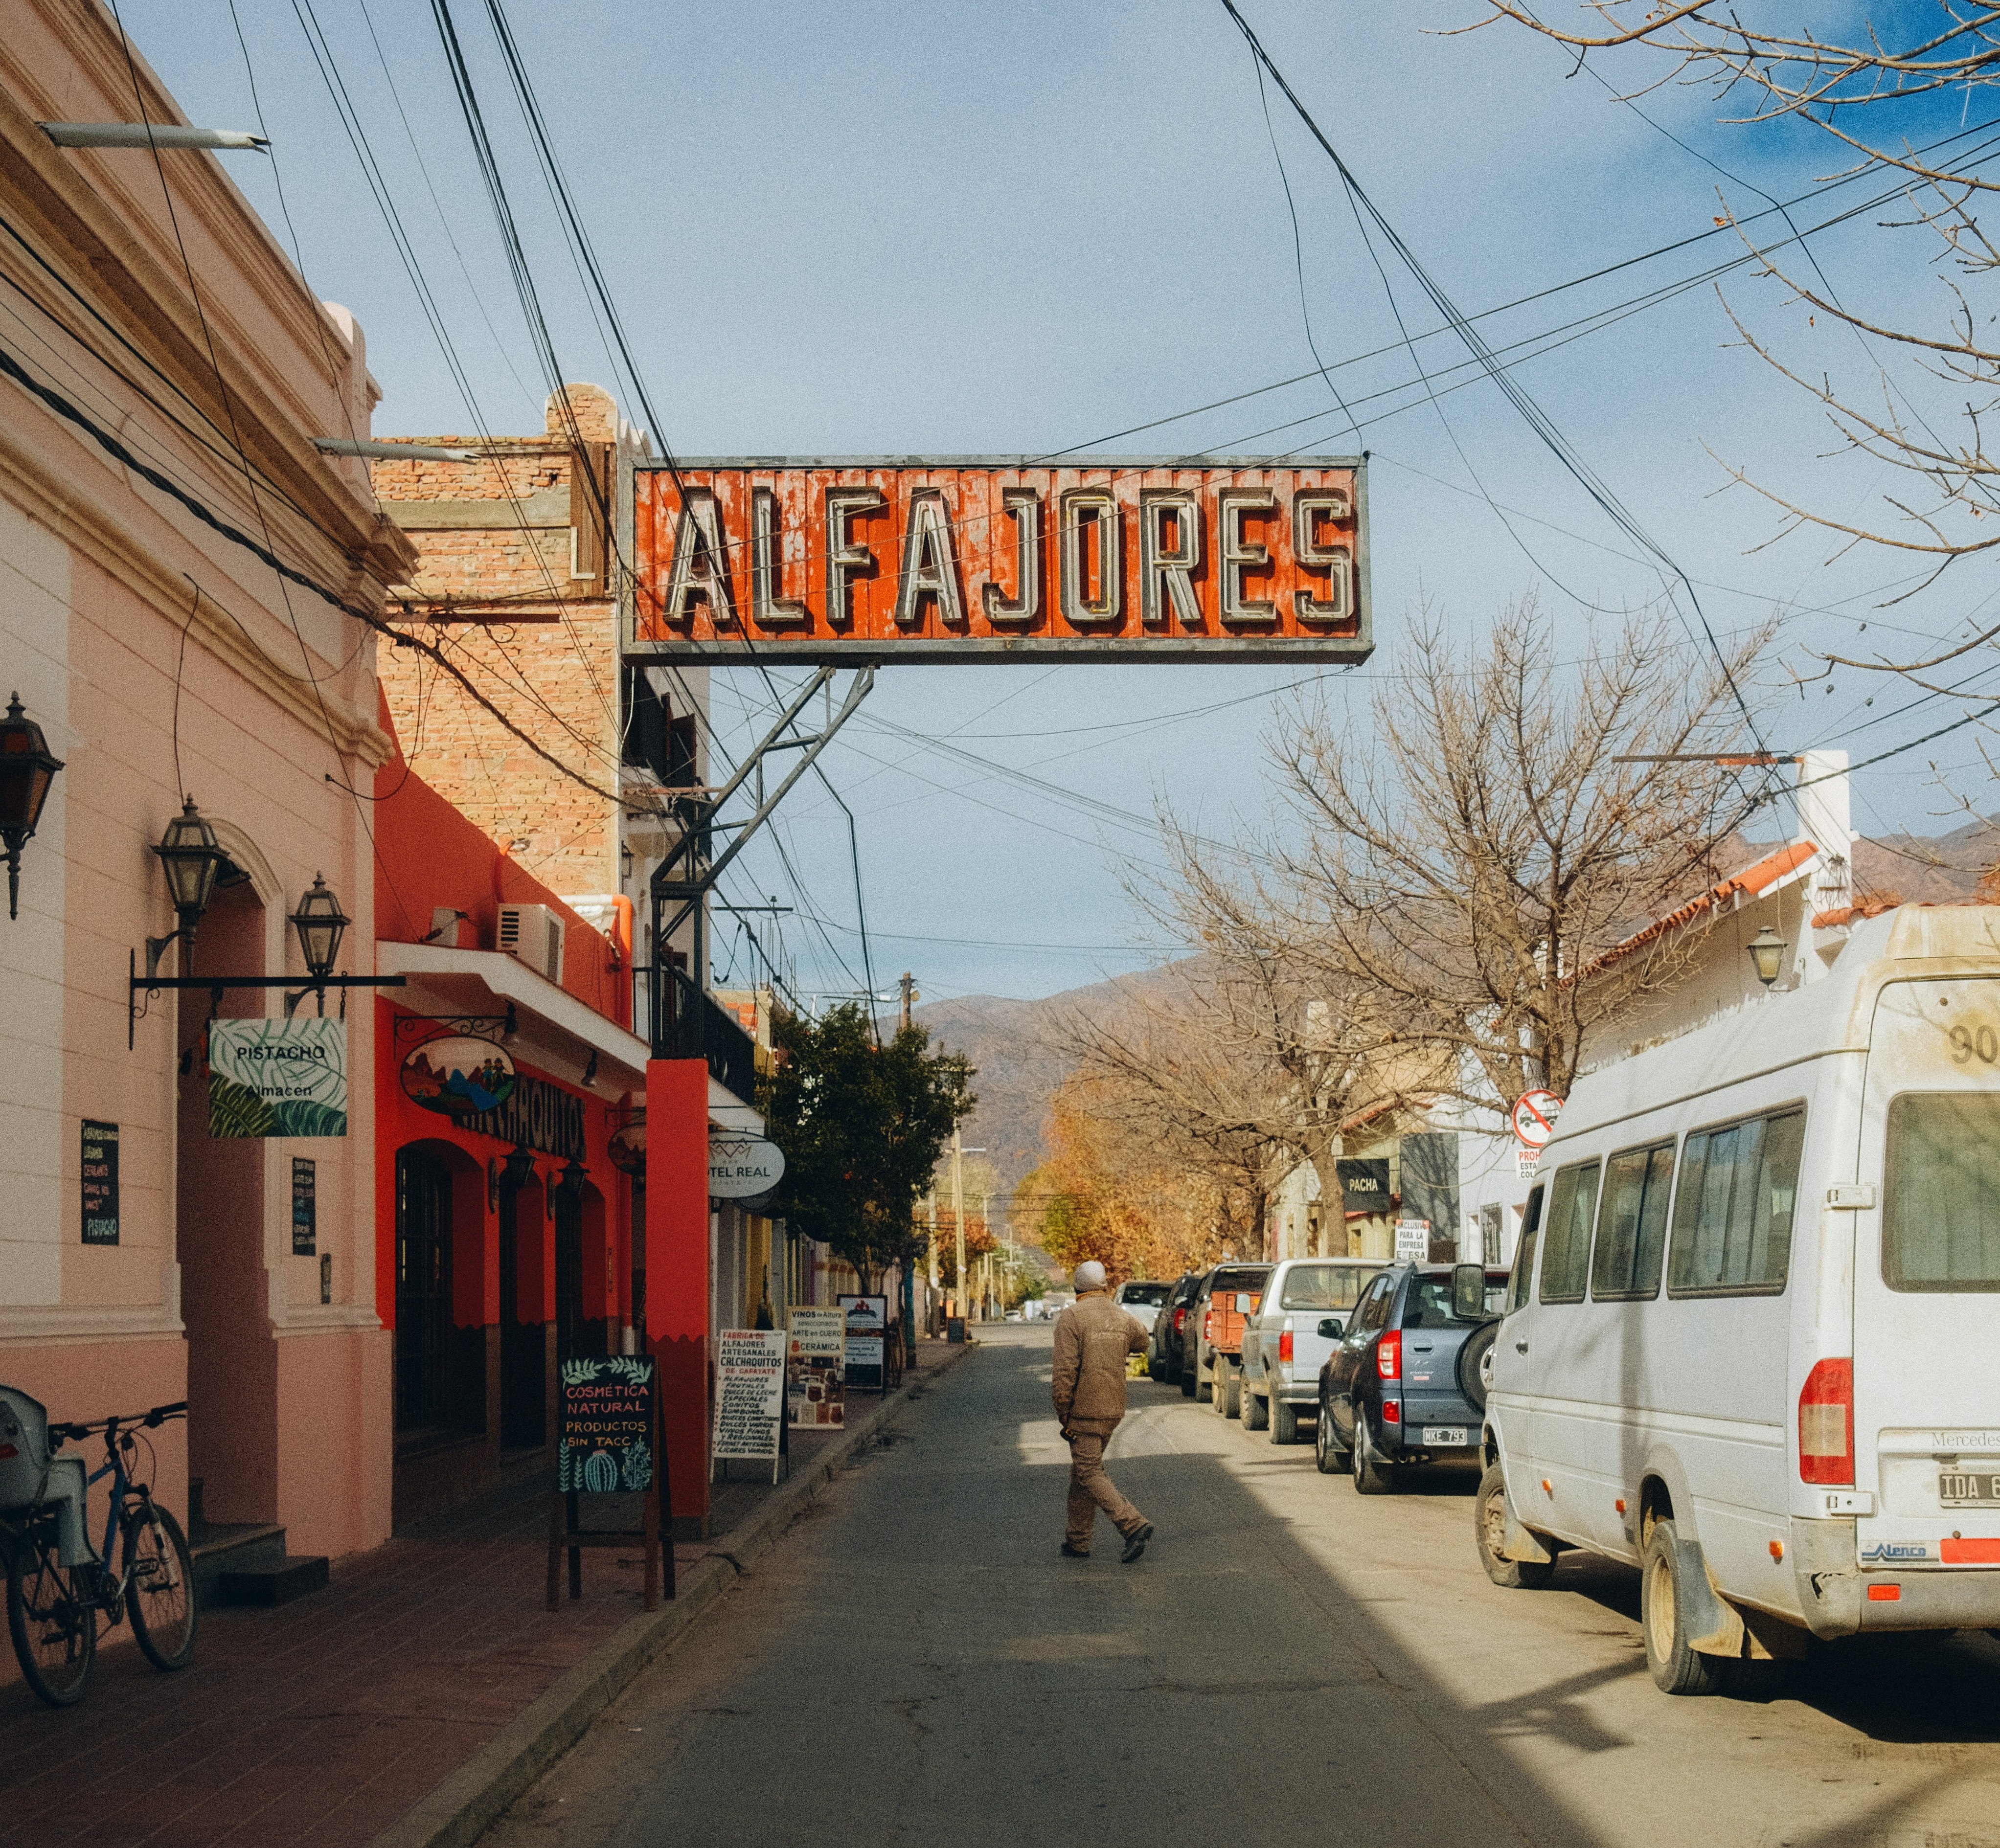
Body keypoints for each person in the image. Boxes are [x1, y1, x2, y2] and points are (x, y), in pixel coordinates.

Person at [1049, 1260, 1154, 1563]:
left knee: (1088, 1471)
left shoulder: (1072, 1318)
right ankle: (1078, 1541)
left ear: (1077, 1287)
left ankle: (1132, 1525)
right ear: (1105, 1286)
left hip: (1084, 1410)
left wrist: (1062, 1408)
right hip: (1114, 1408)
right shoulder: (1121, 1316)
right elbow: (1143, 1341)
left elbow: (1065, 1371)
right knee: (1083, 1473)